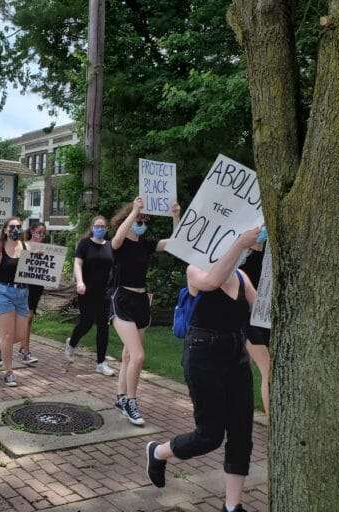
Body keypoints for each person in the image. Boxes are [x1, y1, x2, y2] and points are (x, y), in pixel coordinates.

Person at [145, 226, 261, 512]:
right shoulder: (196, 268)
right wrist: (239, 243)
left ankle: (233, 507)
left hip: (236, 357)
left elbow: (260, 309)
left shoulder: (242, 276)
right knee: (209, 436)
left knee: (241, 433)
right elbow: (210, 282)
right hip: (203, 356)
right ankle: (158, 452)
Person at [110, 197, 180, 425]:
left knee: (129, 355)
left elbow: (176, 242)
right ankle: (131, 401)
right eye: (139, 219)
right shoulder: (120, 242)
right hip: (122, 299)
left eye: (144, 219)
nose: (142, 222)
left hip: (141, 300)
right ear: (129, 218)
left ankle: (120, 397)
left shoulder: (145, 243)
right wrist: (134, 210)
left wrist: (176, 216)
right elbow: (118, 238)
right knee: (138, 356)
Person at [0, 217, 30, 387]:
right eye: (12, 227)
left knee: (21, 335)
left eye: (18, 226)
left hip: (22, 294)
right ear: (5, 230)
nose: (16, 229)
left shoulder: (26, 247)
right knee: (8, 335)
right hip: (3, 293)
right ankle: (9, 372)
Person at [65, 215, 115, 376]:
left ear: (106, 229)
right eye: (97, 226)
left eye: (103, 226)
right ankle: (72, 343)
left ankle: (101, 363)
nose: (100, 229)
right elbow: (78, 263)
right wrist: (80, 281)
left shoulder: (110, 245)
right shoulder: (85, 244)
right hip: (86, 290)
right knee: (86, 322)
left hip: (105, 292)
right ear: (92, 227)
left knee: (103, 326)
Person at [240, 228, 270, 416]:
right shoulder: (241, 259)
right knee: (268, 370)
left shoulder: (268, 256)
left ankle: (236, 408)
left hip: (266, 319)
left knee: (242, 368)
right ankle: (274, 424)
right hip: (247, 320)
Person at [17, 223, 47, 365]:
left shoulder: (46, 249)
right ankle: (25, 351)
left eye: (43, 233)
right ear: (32, 231)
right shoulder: (23, 245)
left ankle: (23, 347)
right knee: (27, 318)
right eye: (38, 232)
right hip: (24, 285)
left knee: (29, 318)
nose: (40, 235)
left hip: (37, 286)